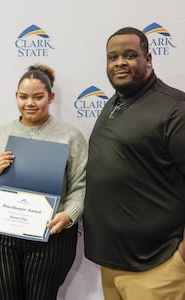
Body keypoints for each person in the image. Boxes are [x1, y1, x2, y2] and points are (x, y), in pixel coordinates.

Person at [83, 27, 185, 300]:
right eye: (112, 57)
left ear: (149, 59)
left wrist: (180, 258)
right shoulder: (114, 103)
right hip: (112, 264)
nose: (119, 63)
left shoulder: (175, 108)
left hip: (158, 266)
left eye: (130, 55)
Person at [0, 64, 87, 300]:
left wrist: (69, 215)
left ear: (51, 97)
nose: (30, 103)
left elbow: (81, 185)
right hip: (2, 236)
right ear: (16, 97)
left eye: (38, 97)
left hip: (51, 235)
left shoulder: (70, 136)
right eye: (24, 97)